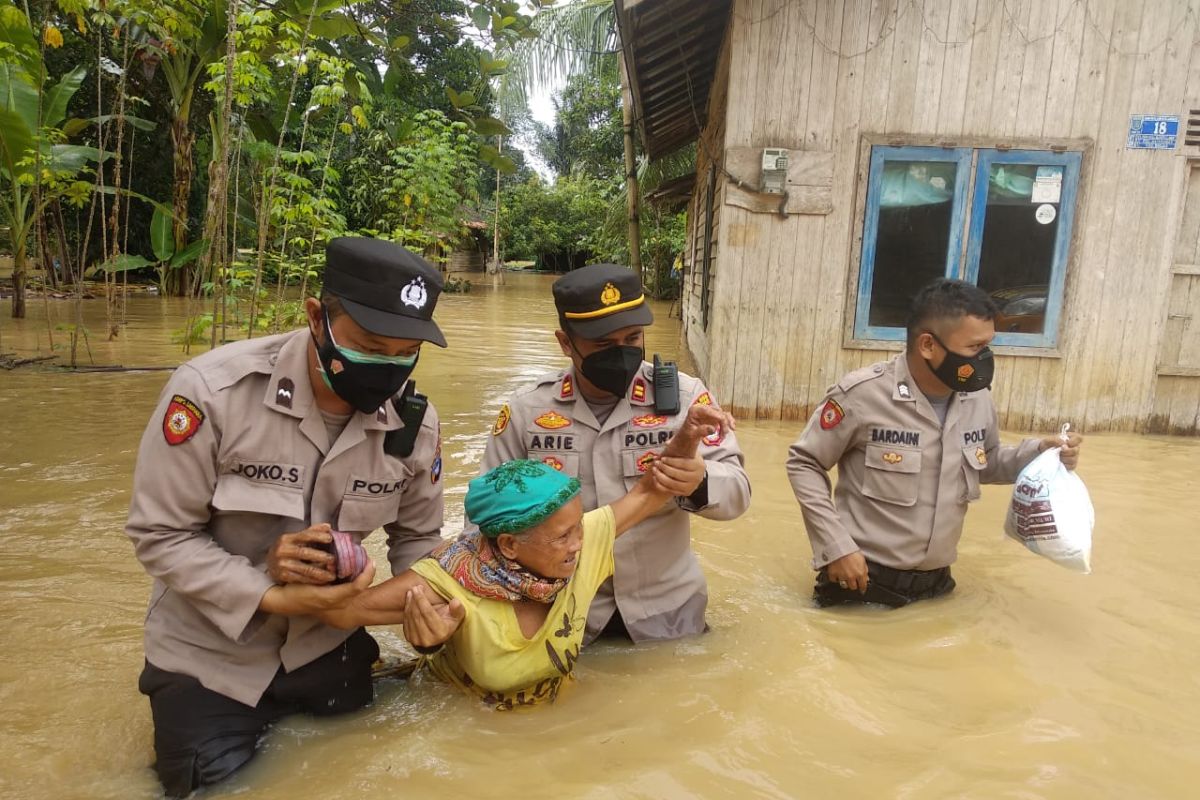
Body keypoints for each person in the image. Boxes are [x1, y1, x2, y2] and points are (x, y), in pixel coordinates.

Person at [125, 237, 450, 797]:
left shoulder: (414, 425)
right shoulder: (213, 392)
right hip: (210, 661)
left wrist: (427, 614)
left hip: (329, 645)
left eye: (405, 352)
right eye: (371, 346)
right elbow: (160, 535)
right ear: (316, 317)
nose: (388, 367)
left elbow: (419, 542)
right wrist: (271, 594)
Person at [320, 403, 736, 709]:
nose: (578, 543)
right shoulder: (445, 583)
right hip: (460, 717)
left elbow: (649, 491)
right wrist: (419, 635)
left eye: (578, 528)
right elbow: (339, 613)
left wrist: (688, 435)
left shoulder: (583, 545)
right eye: (561, 537)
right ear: (508, 546)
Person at [483, 263, 751, 644]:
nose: (622, 353)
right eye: (604, 345)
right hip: (566, 617)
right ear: (565, 342)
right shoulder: (528, 412)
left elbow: (739, 492)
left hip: (669, 614)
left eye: (632, 338)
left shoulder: (686, 399)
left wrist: (700, 481)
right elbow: (487, 522)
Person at [786, 278, 1084, 607]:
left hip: (938, 585)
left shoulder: (978, 398)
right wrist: (835, 546)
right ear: (928, 345)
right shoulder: (862, 395)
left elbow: (987, 461)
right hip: (860, 582)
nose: (984, 357)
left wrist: (1041, 454)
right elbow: (805, 463)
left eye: (987, 346)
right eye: (974, 348)